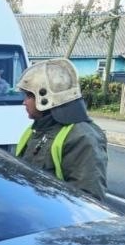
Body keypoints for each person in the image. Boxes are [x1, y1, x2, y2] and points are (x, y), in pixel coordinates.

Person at [15, 58, 108, 199]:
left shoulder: (82, 137)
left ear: (45, 98)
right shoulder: (36, 130)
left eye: (29, 96)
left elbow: (87, 200)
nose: (24, 102)